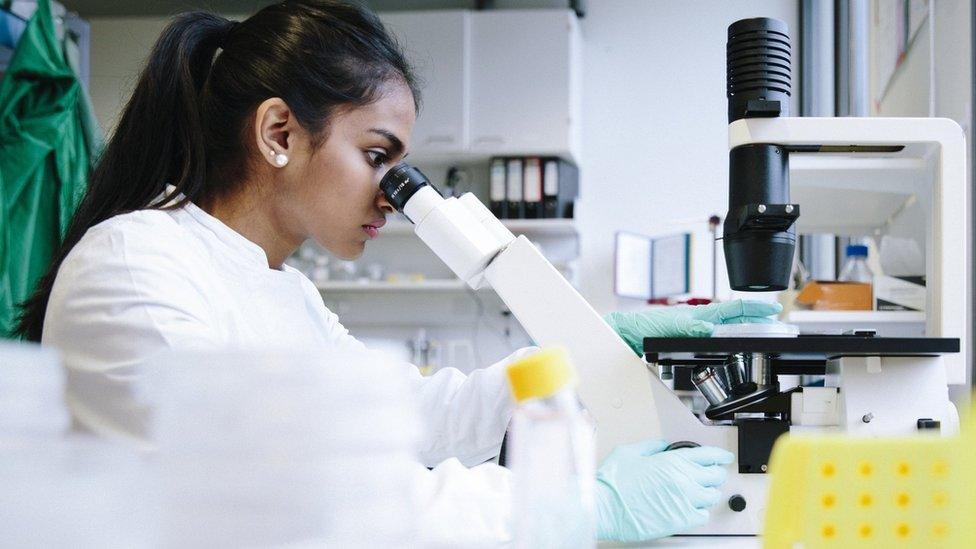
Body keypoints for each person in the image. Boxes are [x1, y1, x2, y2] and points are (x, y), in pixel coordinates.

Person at [16, 1, 779, 544]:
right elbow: (295, 499)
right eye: (377, 156)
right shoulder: (135, 265)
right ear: (279, 131)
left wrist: (583, 353)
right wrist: (576, 505)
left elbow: (417, 416)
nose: (391, 194)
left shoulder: (287, 290)